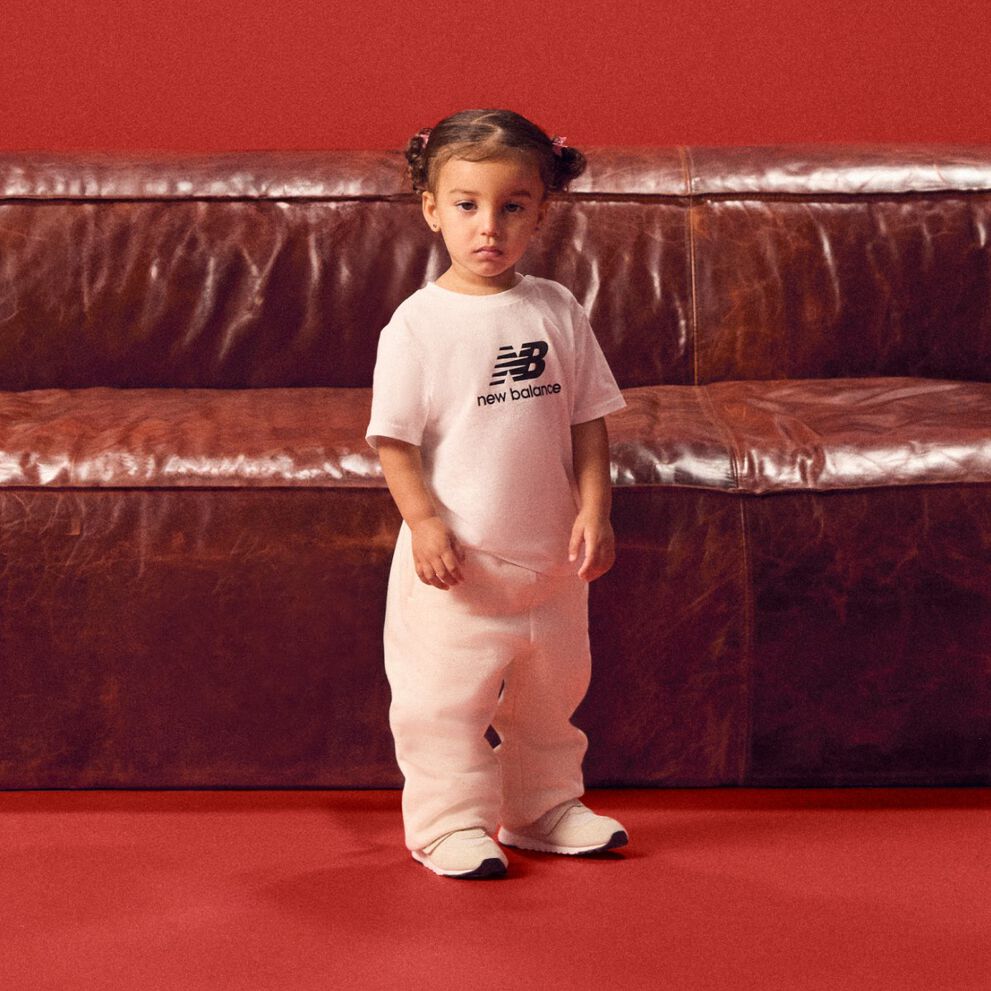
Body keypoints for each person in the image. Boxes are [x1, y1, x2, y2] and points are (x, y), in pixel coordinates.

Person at [365, 108, 629, 879]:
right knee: (442, 704)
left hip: (551, 560)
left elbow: (586, 421)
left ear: (541, 212)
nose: (490, 227)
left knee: (551, 695)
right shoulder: (417, 325)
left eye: (512, 207)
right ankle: (448, 823)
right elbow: (395, 442)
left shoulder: (556, 309)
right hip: (455, 568)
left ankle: (542, 807)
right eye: (467, 205)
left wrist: (595, 510)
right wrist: (424, 524)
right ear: (431, 208)